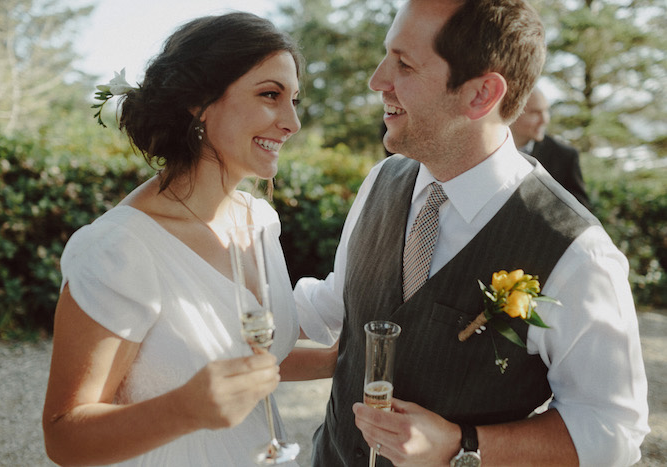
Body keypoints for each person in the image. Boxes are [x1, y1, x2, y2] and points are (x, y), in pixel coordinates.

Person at [293, 0, 649, 466]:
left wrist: (462, 445)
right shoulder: (380, 181)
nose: (377, 79)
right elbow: (337, 304)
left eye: (404, 63)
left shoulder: (577, 254)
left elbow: (612, 429)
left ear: (481, 94)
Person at [42, 12, 307, 466]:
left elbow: (247, 361)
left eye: (294, 100)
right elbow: (63, 438)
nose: (292, 122)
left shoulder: (259, 220)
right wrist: (184, 410)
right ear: (198, 103)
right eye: (270, 95)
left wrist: (347, 358)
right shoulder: (119, 250)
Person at [510, 87, 592, 209]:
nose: (545, 120)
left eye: (546, 111)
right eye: (535, 112)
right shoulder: (488, 151)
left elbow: (582, 209)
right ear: (512, 112)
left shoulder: (565, 156)